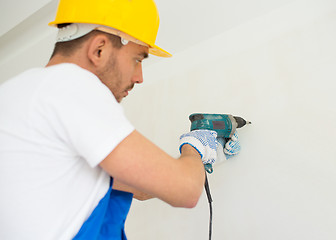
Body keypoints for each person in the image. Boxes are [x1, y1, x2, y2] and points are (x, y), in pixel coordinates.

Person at [0, 0, 240, 239]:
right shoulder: (70, 86)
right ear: (99, 50)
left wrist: (195, 163)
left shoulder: (15, 95)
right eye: (138, 59)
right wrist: (195, 146)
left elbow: (140, 188)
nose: (140, 77)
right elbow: (185, 191)